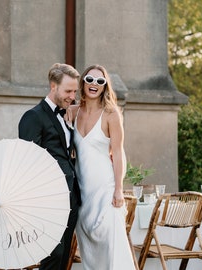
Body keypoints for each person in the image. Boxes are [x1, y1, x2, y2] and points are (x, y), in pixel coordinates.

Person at [68, 64, 135, 269]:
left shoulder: (111, 114)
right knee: (90, 253)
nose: (94, 84)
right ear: (83, 83)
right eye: (89, 80)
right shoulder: (72, 112)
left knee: (115, 250)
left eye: (100, 81)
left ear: (105, 86)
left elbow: (118, 154)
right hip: (82, 193)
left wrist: (118, 190)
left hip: (106, 191)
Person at [18, 63, 81, 270]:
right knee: (53, 255)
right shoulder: (33, 116)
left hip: (70, 195)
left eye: (74, 91)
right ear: (53, 86)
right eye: (68, 91)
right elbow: (29, 161)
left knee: (63, 258)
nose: (72, 96)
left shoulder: (65, 115)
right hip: (49, 199)